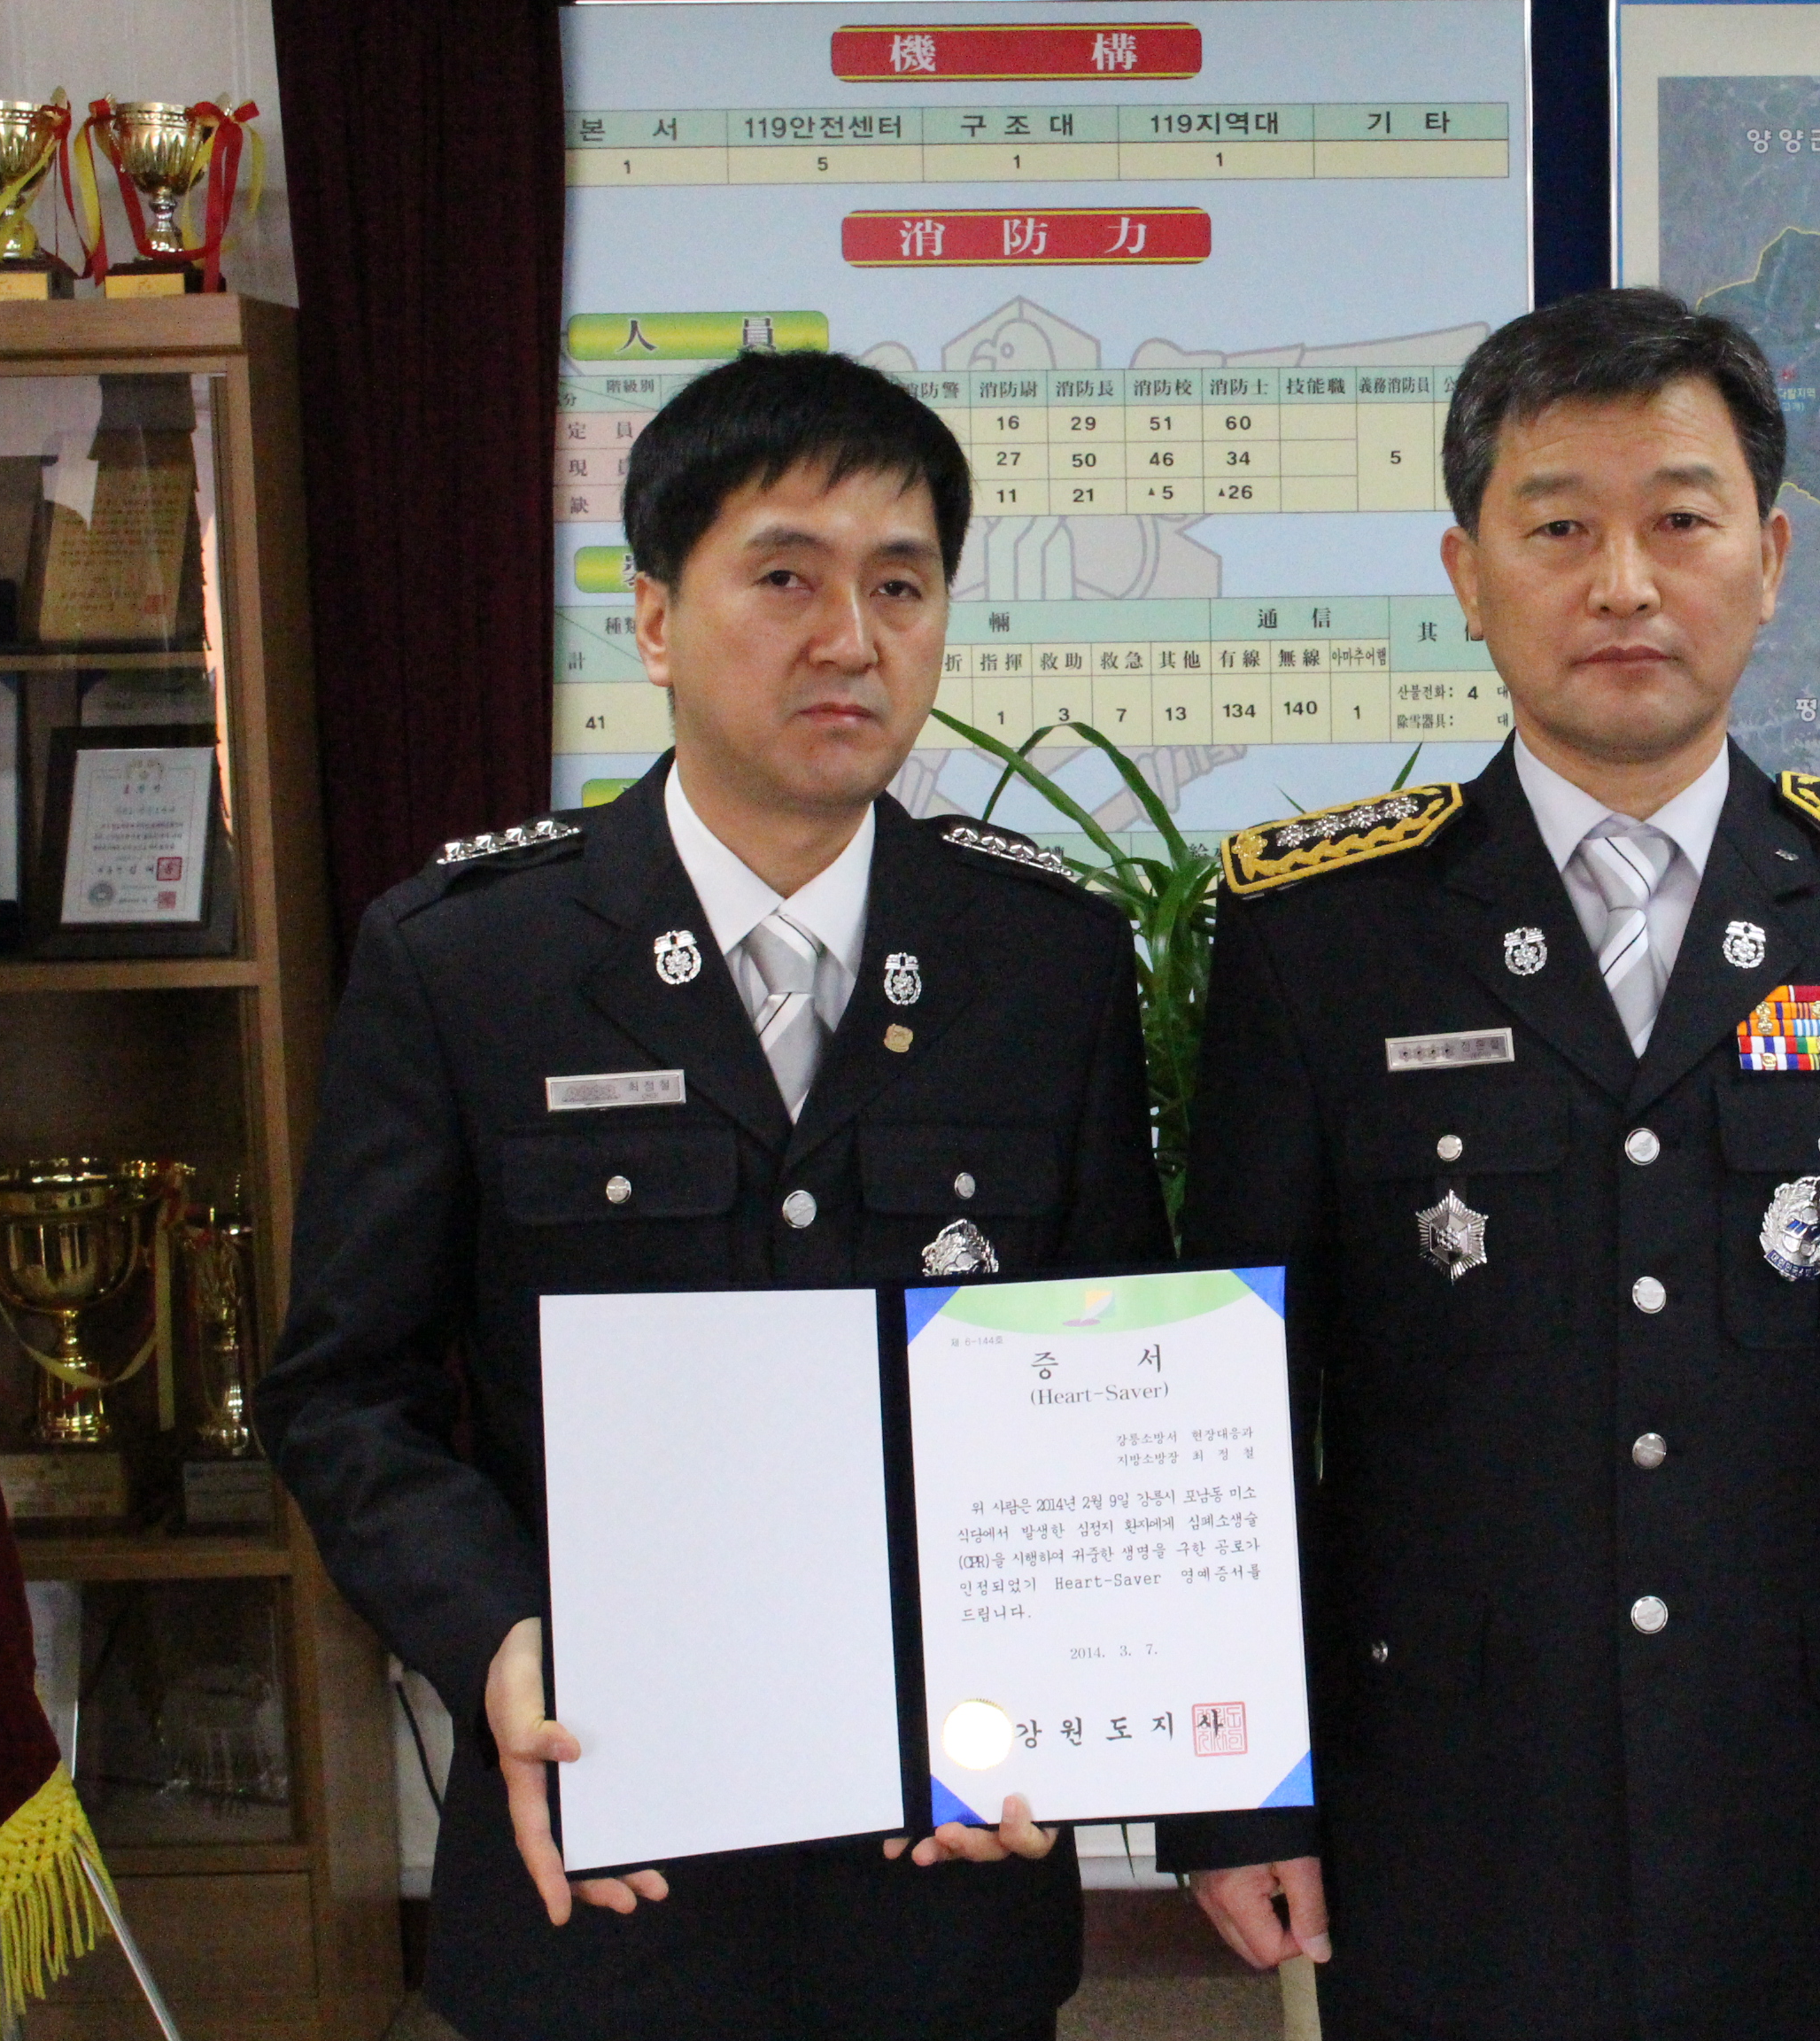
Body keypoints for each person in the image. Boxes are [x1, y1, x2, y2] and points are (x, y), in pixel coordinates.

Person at [1147, 287, 1820, 2039]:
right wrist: (1239, 1791)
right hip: (1444, 1794)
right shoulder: (1321, 933)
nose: (1624, 584)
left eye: (1681, 522)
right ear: (1468, 572)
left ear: (1770, 560)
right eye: (1558, 528)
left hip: (1810, 1782)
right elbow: (1230, 1407)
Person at [257, 349, 1166, 2041]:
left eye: (901, 585)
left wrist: (1074, 1679)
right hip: (603, 1863)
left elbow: (1110, 1366)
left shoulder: (1043, 959)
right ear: (657, 619)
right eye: (786, 579)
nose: (852, 639)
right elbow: (344, 1392)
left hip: (942, 1873)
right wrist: (497, 1633)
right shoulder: (471, 962)